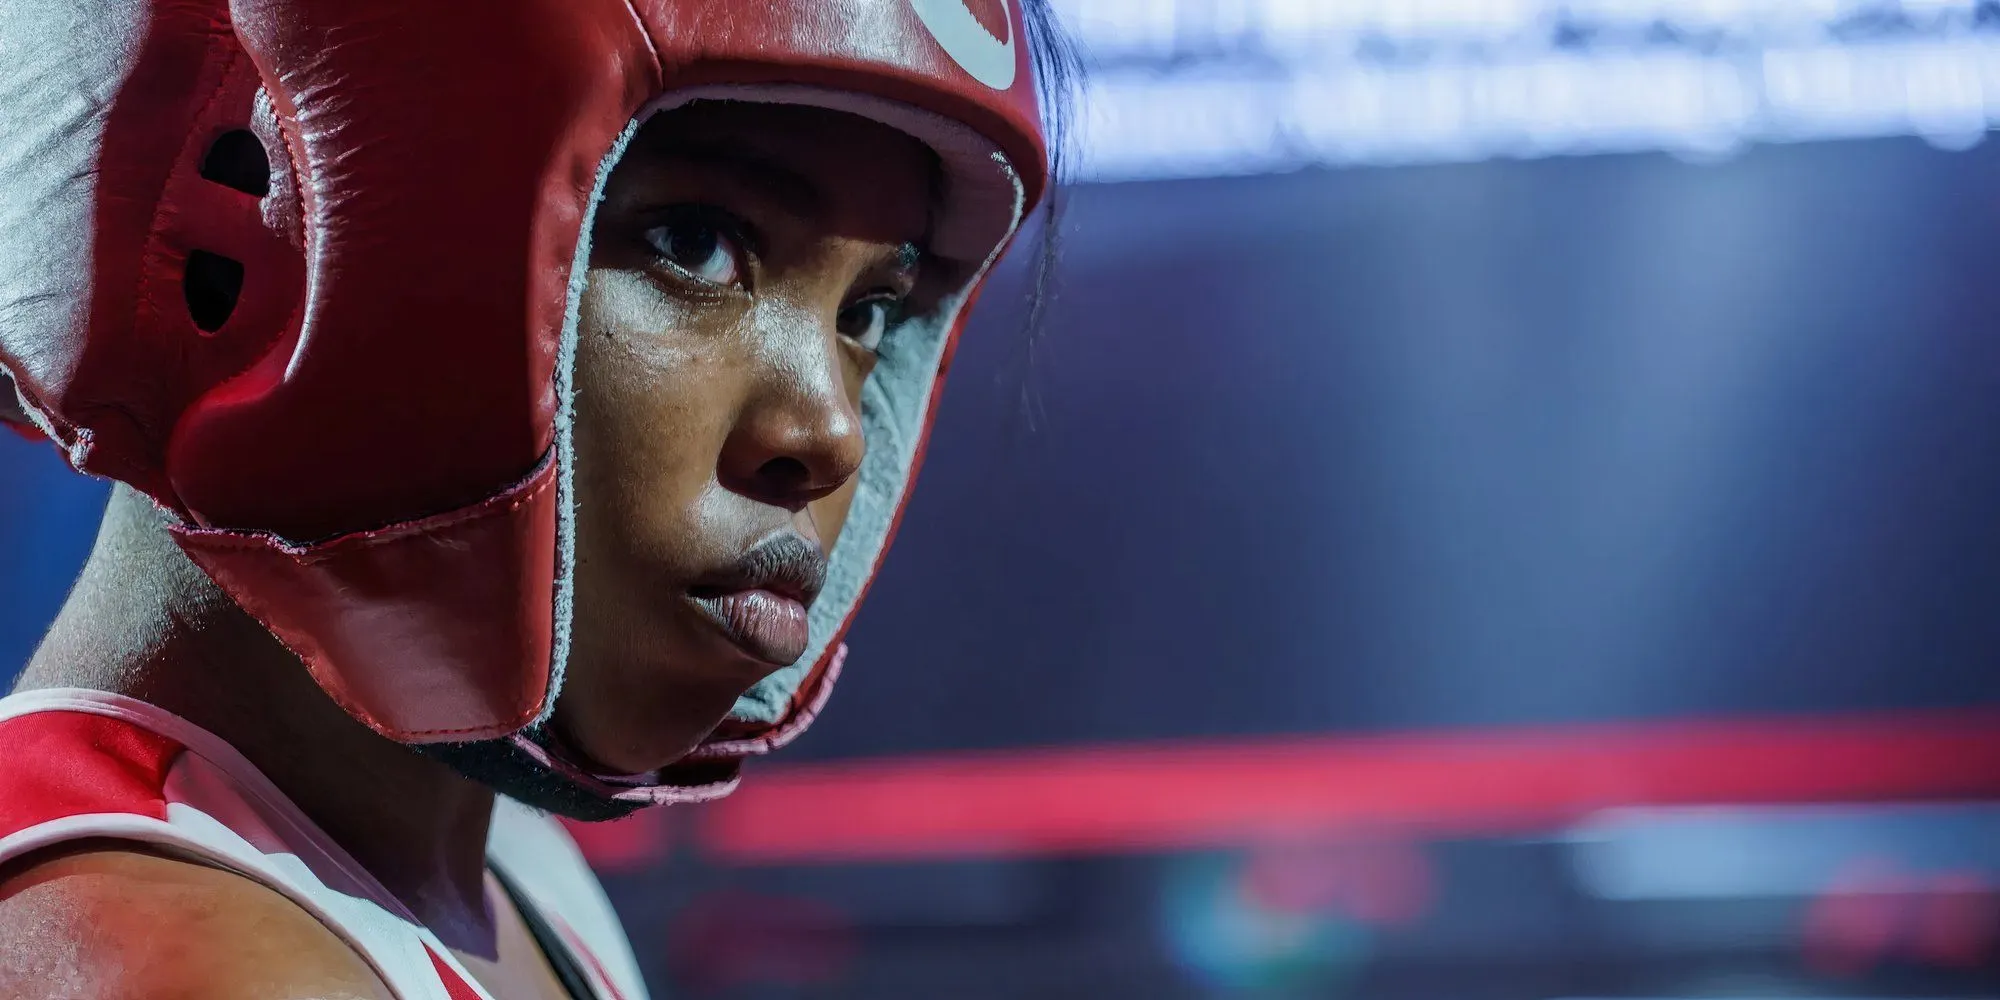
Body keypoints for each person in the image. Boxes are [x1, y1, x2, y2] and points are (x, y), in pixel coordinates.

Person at [0, 0, 1074, 996]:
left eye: (869, 310)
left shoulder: (496, 872)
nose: (828, 433)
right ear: (312, 220)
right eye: (696, 244)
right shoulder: (187, 961)